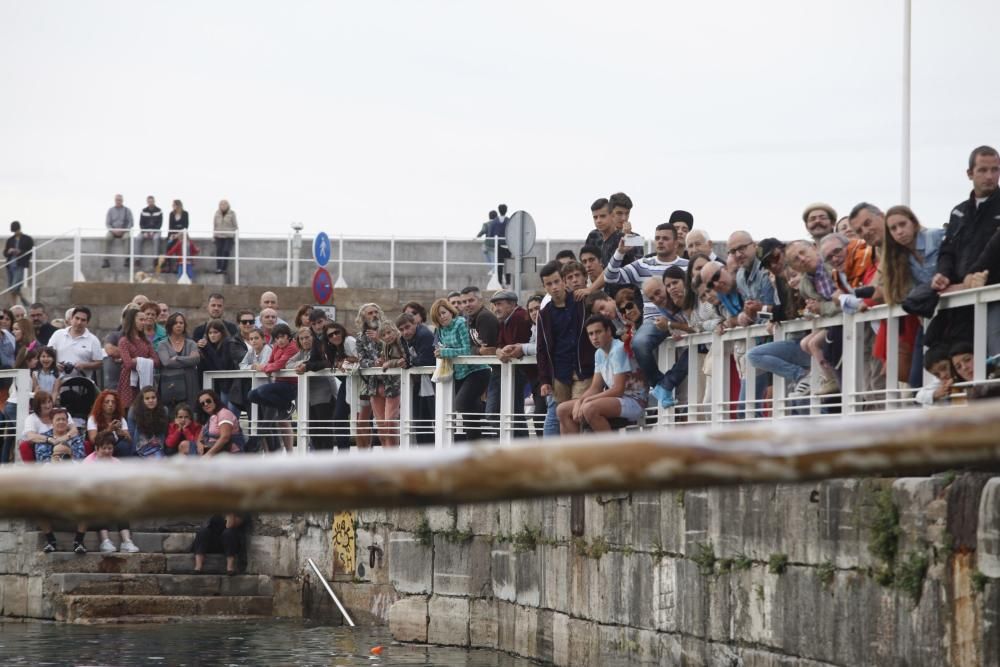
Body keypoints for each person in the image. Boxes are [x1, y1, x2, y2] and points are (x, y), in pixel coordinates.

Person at [932, 146, 1000, 355]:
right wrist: (942, 274)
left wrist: (972, 276)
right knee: (961, 358)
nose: (990, 176)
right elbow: (947, 249)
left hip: (993, 294)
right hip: (960, 298)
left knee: (993, 350)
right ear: (970, 173)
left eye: (995, 169)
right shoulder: (959, 210)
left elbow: (994, 250)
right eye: (982, 170)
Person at [534, 261, 595, 436]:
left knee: (577, 415)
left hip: (584, 368)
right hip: (559, 372)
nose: (554, 287)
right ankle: (561, 456)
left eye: (556, 281)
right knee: (560, 417)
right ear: (544, 286)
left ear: (563, 281)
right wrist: (545, 379)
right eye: (549, 284)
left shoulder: (580, 302)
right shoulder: (544, 314)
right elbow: (542, 349)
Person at [557, 315, 647, 433]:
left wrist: (586, 401)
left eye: (598, 332)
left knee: (590, 408)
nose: (594, 337)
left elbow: (618, 390)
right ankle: (574, 451)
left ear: (609, 331)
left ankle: (608, 451)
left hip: (634, 401)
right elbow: (595, 387)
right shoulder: (598, 353)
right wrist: (580, 400)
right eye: (591, 334)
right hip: (615, 400)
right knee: (562, 410)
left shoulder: (618, 349)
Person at [431, 297, 491, 442]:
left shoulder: (461, 323)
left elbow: (467, 350)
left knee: (461, 403)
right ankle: (476, 446)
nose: (442, 317)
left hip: (477, 371)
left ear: (451, 311)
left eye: (444, 312)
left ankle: (487, 424)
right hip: (460, 374)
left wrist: (445, 352)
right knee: (468, 413)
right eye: (438, 315)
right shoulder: (440, 330)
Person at [82, 431, 140, 553]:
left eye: (110, 448)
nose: (108, 451)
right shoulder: (88, 463)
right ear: (97, 449)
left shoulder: (116, 463)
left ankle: (126, 541)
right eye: (104, 448)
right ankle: (105, 541)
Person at [246, 324, 298, 452]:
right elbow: (271, 363)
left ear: (288, 337)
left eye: (282, 337)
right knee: (252, 395)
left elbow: (279, 364)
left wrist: (263, 368)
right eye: (277, 338)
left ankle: (287, 406)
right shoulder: (276, 347)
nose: (280, 340)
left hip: (291, 385)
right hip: (278, 385)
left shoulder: (292, 347)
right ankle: (283, 406)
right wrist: (268, 368)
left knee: (263, 392)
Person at [491, 290, 533, 438]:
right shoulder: (505, 320)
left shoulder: (519, 317)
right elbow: (501, 344)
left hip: (526, 372)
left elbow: (513, 348)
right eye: (495, 305)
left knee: (515, 415)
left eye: (499, 304)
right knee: (514, 414)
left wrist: (501, 351)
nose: (496, 308)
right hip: (519, 372)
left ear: (512, 304)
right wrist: (498, 351)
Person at [396, 312, 435, 444]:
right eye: (401, 329)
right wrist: (408, 361)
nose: (405, 332)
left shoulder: (424, 335)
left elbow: (426, 360)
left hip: (433, 381)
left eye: (407, 327)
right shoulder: (403, 338)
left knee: (434, 417)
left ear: (415, 324)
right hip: (420, 382)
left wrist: (408, 362)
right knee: (419, 420)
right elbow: (409, 358)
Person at [156, 312, 200, 410]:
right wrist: (187, 360)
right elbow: (166, 362)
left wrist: (177, 358)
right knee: (172, 413)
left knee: (190, 411)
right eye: (175, 323)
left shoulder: (191, 343)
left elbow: (196, 360)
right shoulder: (162, 344)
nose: (179, 325)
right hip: (171, 383)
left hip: (190, 382)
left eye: (181, 323)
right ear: (170, 326)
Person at [118, 306, 159, 409]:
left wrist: (137, 360)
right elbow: (128, 364)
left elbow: (157, 361)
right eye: (141, 320)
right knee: (129, 408)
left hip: (144, 378)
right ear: (132, 321)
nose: (144, 322)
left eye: (145, 320)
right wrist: (144, 361)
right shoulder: (124, 341)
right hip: (129, 381)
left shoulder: (146, 341)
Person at [48, 306, 104, 381]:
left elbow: (99, 363)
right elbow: (48, 354)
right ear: (71, 319)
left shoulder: (93, 340)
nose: (79, 322)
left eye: (83, 320)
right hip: (56, 383)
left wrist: (85, 365)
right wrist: (55, 364)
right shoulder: (58, 334)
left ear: (87, 322)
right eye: (77, 318)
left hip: (81, 385)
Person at [197, 319, 242, 410]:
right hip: (223, 387)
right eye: (210, 333)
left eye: (215, 332)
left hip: (232, 387)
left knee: (230, 413)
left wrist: (208, 348)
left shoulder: (228, 343)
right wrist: (203, 350)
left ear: (222, 333)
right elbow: (211, 366)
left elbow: (222, 366)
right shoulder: (213, 346)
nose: (212, 335)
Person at [196, 389, 245, 456]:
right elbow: (200, 438)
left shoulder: (224, 413)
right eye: (202, 403)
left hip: (229, 451)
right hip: (210, 448)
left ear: (214, 400)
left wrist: (208, 455)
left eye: (208, 401)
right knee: (184, 445)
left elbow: (225, 437)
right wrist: (200, 445)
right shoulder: (209, 418)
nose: (206, 404)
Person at [127, 386, 168, 458]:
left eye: (153, 397)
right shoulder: (134, 411)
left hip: (158, 446)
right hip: (140, 447)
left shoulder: (164, 410)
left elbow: (164, 432)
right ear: (142, 400)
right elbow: (132, 433)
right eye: (147, 398)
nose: (151, 400)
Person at [4, 221, 33, 308]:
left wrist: (20, 252)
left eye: (16, 230)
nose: (15, 232)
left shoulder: (27, 239)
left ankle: (24, 301)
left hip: (19, 265)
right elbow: (5, 253)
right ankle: (14, 306)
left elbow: (30, 252)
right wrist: (9, 251)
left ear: (19, 229)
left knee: (14, 287)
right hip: (10, 265)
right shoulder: (10, 240)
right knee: (12, 288)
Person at [103, 194, 134, 268]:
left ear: (122, 201)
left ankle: (127, 259)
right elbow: (107, 223)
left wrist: (124, 230)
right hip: (113, 231)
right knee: (107, 237)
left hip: (124, 231)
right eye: (117, 200)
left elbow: (131, 222)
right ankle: (105, 260)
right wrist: (113, 230)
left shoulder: (127, 210)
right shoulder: (110, 210)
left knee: (127, 237)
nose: (118, 201)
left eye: (119, 200)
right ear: (115, 200)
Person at [135, 195, 163, 268]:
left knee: (156, 238)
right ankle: (137, 260)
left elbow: (160, 224)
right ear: (147, 202)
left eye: (152, 201)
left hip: (156, 231)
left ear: (154, 201)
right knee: (138, 238)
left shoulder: (159, 210)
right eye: (149, 201)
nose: (150, 203)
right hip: (145, 231)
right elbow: (141, 224)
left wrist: (153, 232)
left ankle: (155, 259)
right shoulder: (143, 211)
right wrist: (145, 232)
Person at [212, 199, 238, 274]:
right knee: (219, 251)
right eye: (221, 204)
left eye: (224, 204)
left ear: (228, 205)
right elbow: (215, 225)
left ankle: (224, 268)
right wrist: (213, 236)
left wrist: (235, 236)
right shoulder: (216, 214)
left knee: (226, 251)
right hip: (218, 236)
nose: (223, 206)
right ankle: (218, 268)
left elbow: (235, 226)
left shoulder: (232, 213)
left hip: (228, 236)